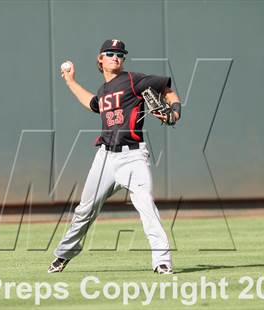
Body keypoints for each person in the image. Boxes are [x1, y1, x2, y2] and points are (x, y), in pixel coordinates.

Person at [48, 39, 181, 274]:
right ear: (100, 58)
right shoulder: (104, 90)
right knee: (84, 210)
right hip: (105, 159)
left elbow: (167, 89)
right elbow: (92, 104)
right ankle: (63, 255)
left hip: (133, 157)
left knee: (146, 206)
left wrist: (176, 110)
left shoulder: (134, 79)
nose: (116, 57)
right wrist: (70, 81)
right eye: (110, 53)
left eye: (120, 54)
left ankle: (162, 262)